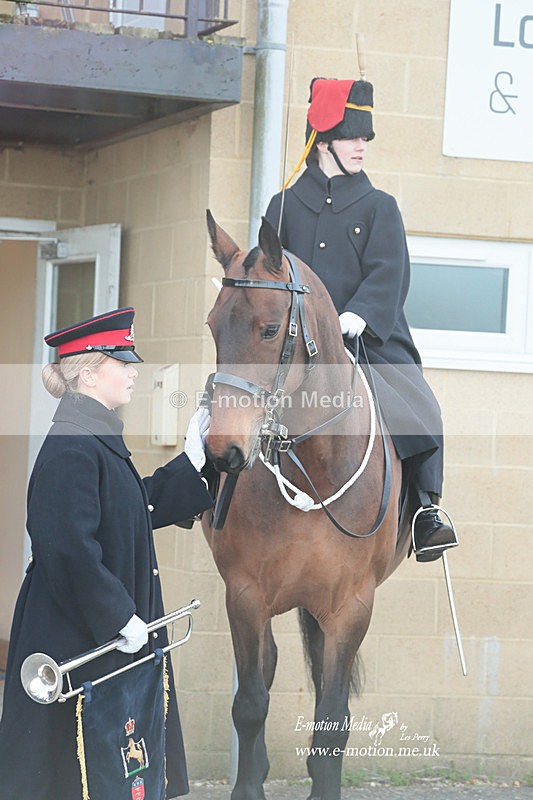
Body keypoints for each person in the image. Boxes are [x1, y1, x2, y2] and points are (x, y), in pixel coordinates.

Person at [0, 307, 213, 799]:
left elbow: (129, 505)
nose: (134, 371)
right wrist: (118, 615)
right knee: (70, 778)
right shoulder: (73, 444)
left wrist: (191, 464)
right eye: (123, 361)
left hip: (94, 634)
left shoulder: (93, 434)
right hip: (76, 638)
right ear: (90, 372)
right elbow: (67, 548)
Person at [265, 77, 458, 562]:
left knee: (422, 411)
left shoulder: (379, 207)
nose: (361, 146)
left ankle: (425, 510)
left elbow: (391, 274)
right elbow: (270, 272)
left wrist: (358, 315)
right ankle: (207, 484)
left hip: (368, 338)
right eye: (353, 136)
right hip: (294, 341)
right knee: (229, 399)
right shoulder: (283, 204)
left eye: (365, 138)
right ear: (323, 139)